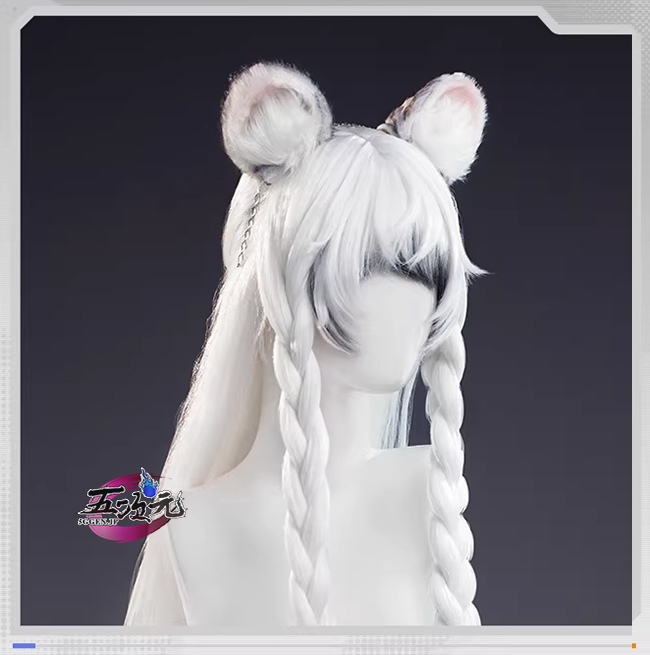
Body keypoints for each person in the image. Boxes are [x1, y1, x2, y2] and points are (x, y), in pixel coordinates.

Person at [125, 61, 487, 627]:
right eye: (368, 264)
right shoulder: (192, 526)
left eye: (426, 269)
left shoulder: (429, 488)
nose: (410, 302)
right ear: (282, 280)